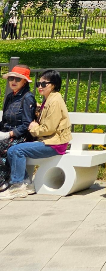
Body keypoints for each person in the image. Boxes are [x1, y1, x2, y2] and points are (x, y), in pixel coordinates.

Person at [7, 70, 71, 198]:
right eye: (38, 83)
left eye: (43, 84)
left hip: (55, 143)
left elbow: (49, 129)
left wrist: (33, 128)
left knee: (16, 150)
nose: (40, 87)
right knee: (12, 149)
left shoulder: (54, 101)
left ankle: (18, 185)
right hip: (50, 141)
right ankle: (27, 184)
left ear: (53, 85)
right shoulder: (49, 99)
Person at [0, 66, 36, 190]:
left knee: (2, 146)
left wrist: (9, 134)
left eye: (18, 79)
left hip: (21, 136)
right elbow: (4, 120)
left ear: (24, 81)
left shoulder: (27, 97)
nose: (13, 81)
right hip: (7, 132)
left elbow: (27, 124)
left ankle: (3, 181)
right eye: (11, 78)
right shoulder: (10, 97)